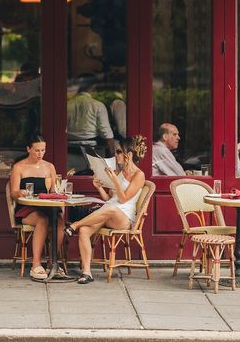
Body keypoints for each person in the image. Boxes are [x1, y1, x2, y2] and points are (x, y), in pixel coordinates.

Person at [64, 135, 147, 284]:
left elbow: (123, 199)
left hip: (124, 218)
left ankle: (74, 225)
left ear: (128, 154)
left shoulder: (139, 175)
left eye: (119, 152)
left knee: (111, 210)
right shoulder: (120, 172)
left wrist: (115, 181)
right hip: (109, 212)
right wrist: (99, 187)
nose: (116, 155)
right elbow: (109, 199)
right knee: (84, 231)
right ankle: (87, 272)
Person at [9, 133, 64, 281]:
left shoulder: (49, 167)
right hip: (27, 208)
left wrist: (59, 193)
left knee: (59, 222)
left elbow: (53, 191)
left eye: (43, 150)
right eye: (37, 150)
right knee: (42, 220)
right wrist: (19, 192)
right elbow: (13, 193)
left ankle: (53, 262)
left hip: (47, 206)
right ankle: (36, 264)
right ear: (28, 149)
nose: (40, 154)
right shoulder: (19, 167)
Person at [67, 73, 114, 152]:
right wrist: (112, 154)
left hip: (69, 148)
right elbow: (106, 133)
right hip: (93, 149)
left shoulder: (67, 105)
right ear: (93, 87)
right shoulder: (98, 105)